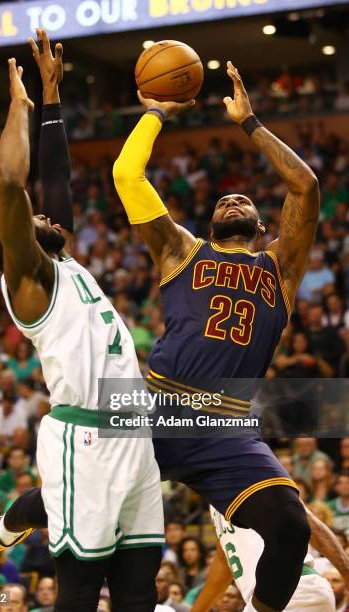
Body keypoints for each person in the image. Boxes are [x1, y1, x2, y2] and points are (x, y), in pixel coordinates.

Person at [0, 30, 164, 611]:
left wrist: (51, 94)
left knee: (141, 583)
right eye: (32, 217)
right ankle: (3, 531)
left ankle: (2, 529)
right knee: (82, 588)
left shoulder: (57, 253)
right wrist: (20, 103)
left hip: (129, 426)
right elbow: (13, 184)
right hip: (85, 437)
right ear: (11, 240)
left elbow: (56, 181)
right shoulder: (28, 279)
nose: (47, 212)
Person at [113, 61, 319, 612]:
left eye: (244, 202)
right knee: (85, 499)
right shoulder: (181, 251)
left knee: (290, 526)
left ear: (261, 228)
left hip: (227, 429)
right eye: (223, 201)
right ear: (208, 226)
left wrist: (250, 123)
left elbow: (305, 184)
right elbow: (127, 176)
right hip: (158, 409)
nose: (232, 199)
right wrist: (155, 112)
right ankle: (4, 529)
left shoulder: (281, 268)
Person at [191, 504, 349, 611]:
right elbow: (223, 559)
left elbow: (304, 519)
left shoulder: (245, 469)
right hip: (273, 597)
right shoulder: (215, 496)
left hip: (291, 590)